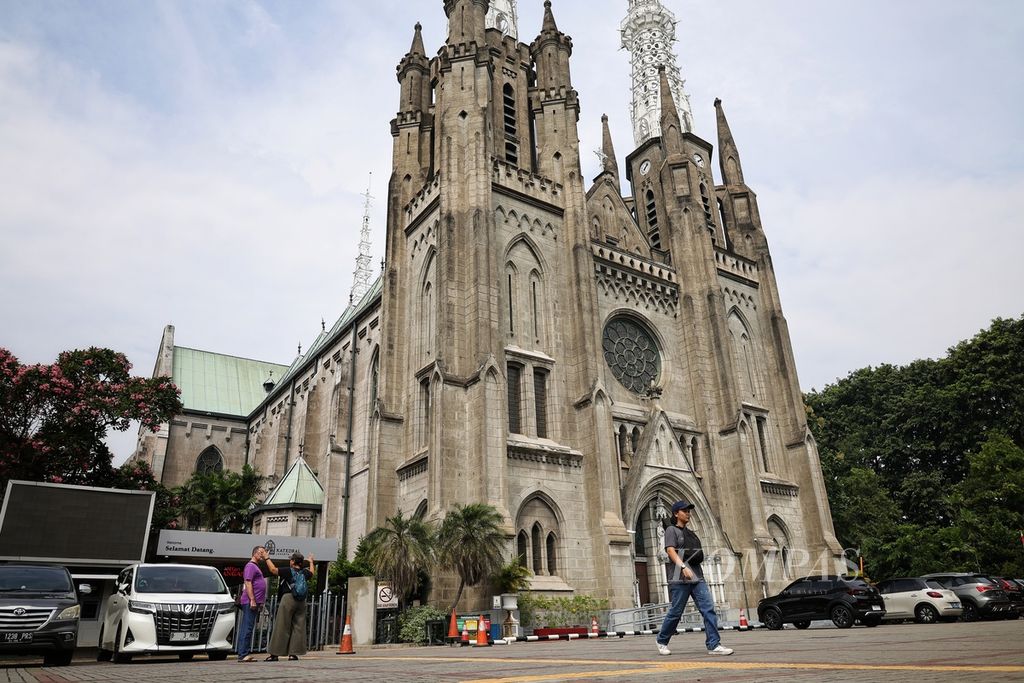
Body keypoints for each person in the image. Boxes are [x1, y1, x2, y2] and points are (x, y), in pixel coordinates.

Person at [656, 500, 733, 656]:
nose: (688, 513)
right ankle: (662, 640)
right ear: (676, 513)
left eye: (689, 511)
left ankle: (713, 645)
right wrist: (683, 567)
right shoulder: (671, 530)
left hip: (697, 577)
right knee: (676, 612)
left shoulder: (691, 533)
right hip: (679, 578)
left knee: (708, 608)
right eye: (685, 511)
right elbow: (670, 551)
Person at [264, 551, 315, 661]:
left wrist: (267, 558)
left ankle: (275, 654)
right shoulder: (304, 572)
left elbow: (273, 570)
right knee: (298, 626)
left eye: (290, 559)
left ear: (292, 561)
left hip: (288, 598)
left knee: (282, 625)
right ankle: (293, 654)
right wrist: (311, 562)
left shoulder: (288, 571)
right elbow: (312, 573)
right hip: (301, 601)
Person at [237, 545, 267, 662]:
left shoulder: (255, 566)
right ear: (255, 553)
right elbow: (248, 583)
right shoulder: (250, 566)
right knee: (247, 628)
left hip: (253, 602)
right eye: (261, 553)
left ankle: (243, 653)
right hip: (250, 602)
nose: (263, 555)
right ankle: (243, 654)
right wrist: (253, 600)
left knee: (248, 627)